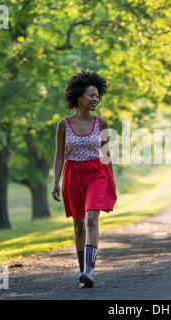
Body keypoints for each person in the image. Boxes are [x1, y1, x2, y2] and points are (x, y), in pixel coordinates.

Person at [51, 70, 117, 288]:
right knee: (79, 225)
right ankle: (83, 271)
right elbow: (59, 157)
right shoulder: (63, 125)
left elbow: (106, 156)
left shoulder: (102, 124)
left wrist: (111, 182)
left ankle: (89, 269)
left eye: (97, 95)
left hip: (97, 173)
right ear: (79, 97)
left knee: (91, 218)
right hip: (73, 174)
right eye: (91, 95)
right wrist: (55, 183)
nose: (95, 99)